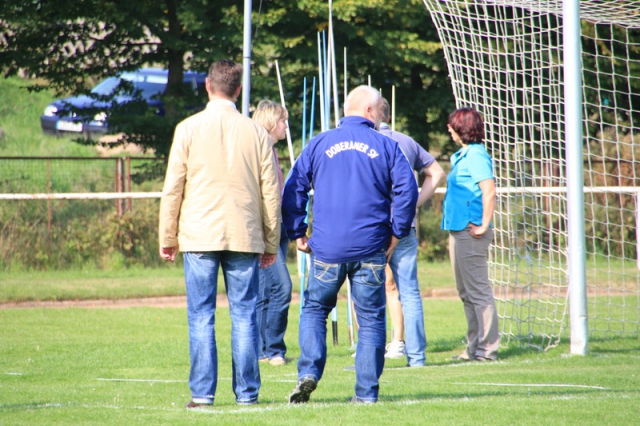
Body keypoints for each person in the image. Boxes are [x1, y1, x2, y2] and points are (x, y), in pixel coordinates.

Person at [282, 85, 418, 404]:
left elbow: (294, 187)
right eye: (380, 111)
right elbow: (407, 190)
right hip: (371, 247)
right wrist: (397, 232)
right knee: (370, 318)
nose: (381, 117)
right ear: (369, 111)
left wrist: (297, 232)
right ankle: (366, 393)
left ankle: (308, 373)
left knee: (315, 309)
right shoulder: (386, 145)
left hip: (327, 248)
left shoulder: (319, 143)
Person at [158, 59, 281, 407]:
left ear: (207, 86)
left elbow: (173, 188)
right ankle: (247, 394)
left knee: (201, 315)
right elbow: (270, 193)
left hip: (199, 234)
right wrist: (271, 241)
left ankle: (202, 394)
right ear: (239, 90)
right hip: (245, 234)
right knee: (244, 315)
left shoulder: (187, 128)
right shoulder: (257, 133)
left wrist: (167, 236)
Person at [378, 98, 445, 366]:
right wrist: (415, 203)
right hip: (405, 225)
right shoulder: (406, 141)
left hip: (372, 226)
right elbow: (436, 172)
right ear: (387, 115)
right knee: (409, 291)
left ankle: (370, 354)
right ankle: (416, 357)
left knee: (368, 290)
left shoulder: (362, 141)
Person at [441, 106, 499, 362]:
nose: (448, 128)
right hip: (457, 229)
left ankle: (487, 351)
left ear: (462, 128)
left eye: (452, 124)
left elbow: (489, 190)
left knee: (478, 292)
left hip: (471, 231)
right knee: (465, 293)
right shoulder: (462, 155)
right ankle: (473, 348)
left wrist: (484, 224)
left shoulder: (476, 155)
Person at [251, 100, 293, 366]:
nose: (286, 126)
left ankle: (262, 350)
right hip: (265, 230)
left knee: (266, 291)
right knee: (282, 287)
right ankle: (274, 350)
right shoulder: (258, 149)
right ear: (270, 122)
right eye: (282, 121)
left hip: (280, 226)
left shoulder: (272, 150)